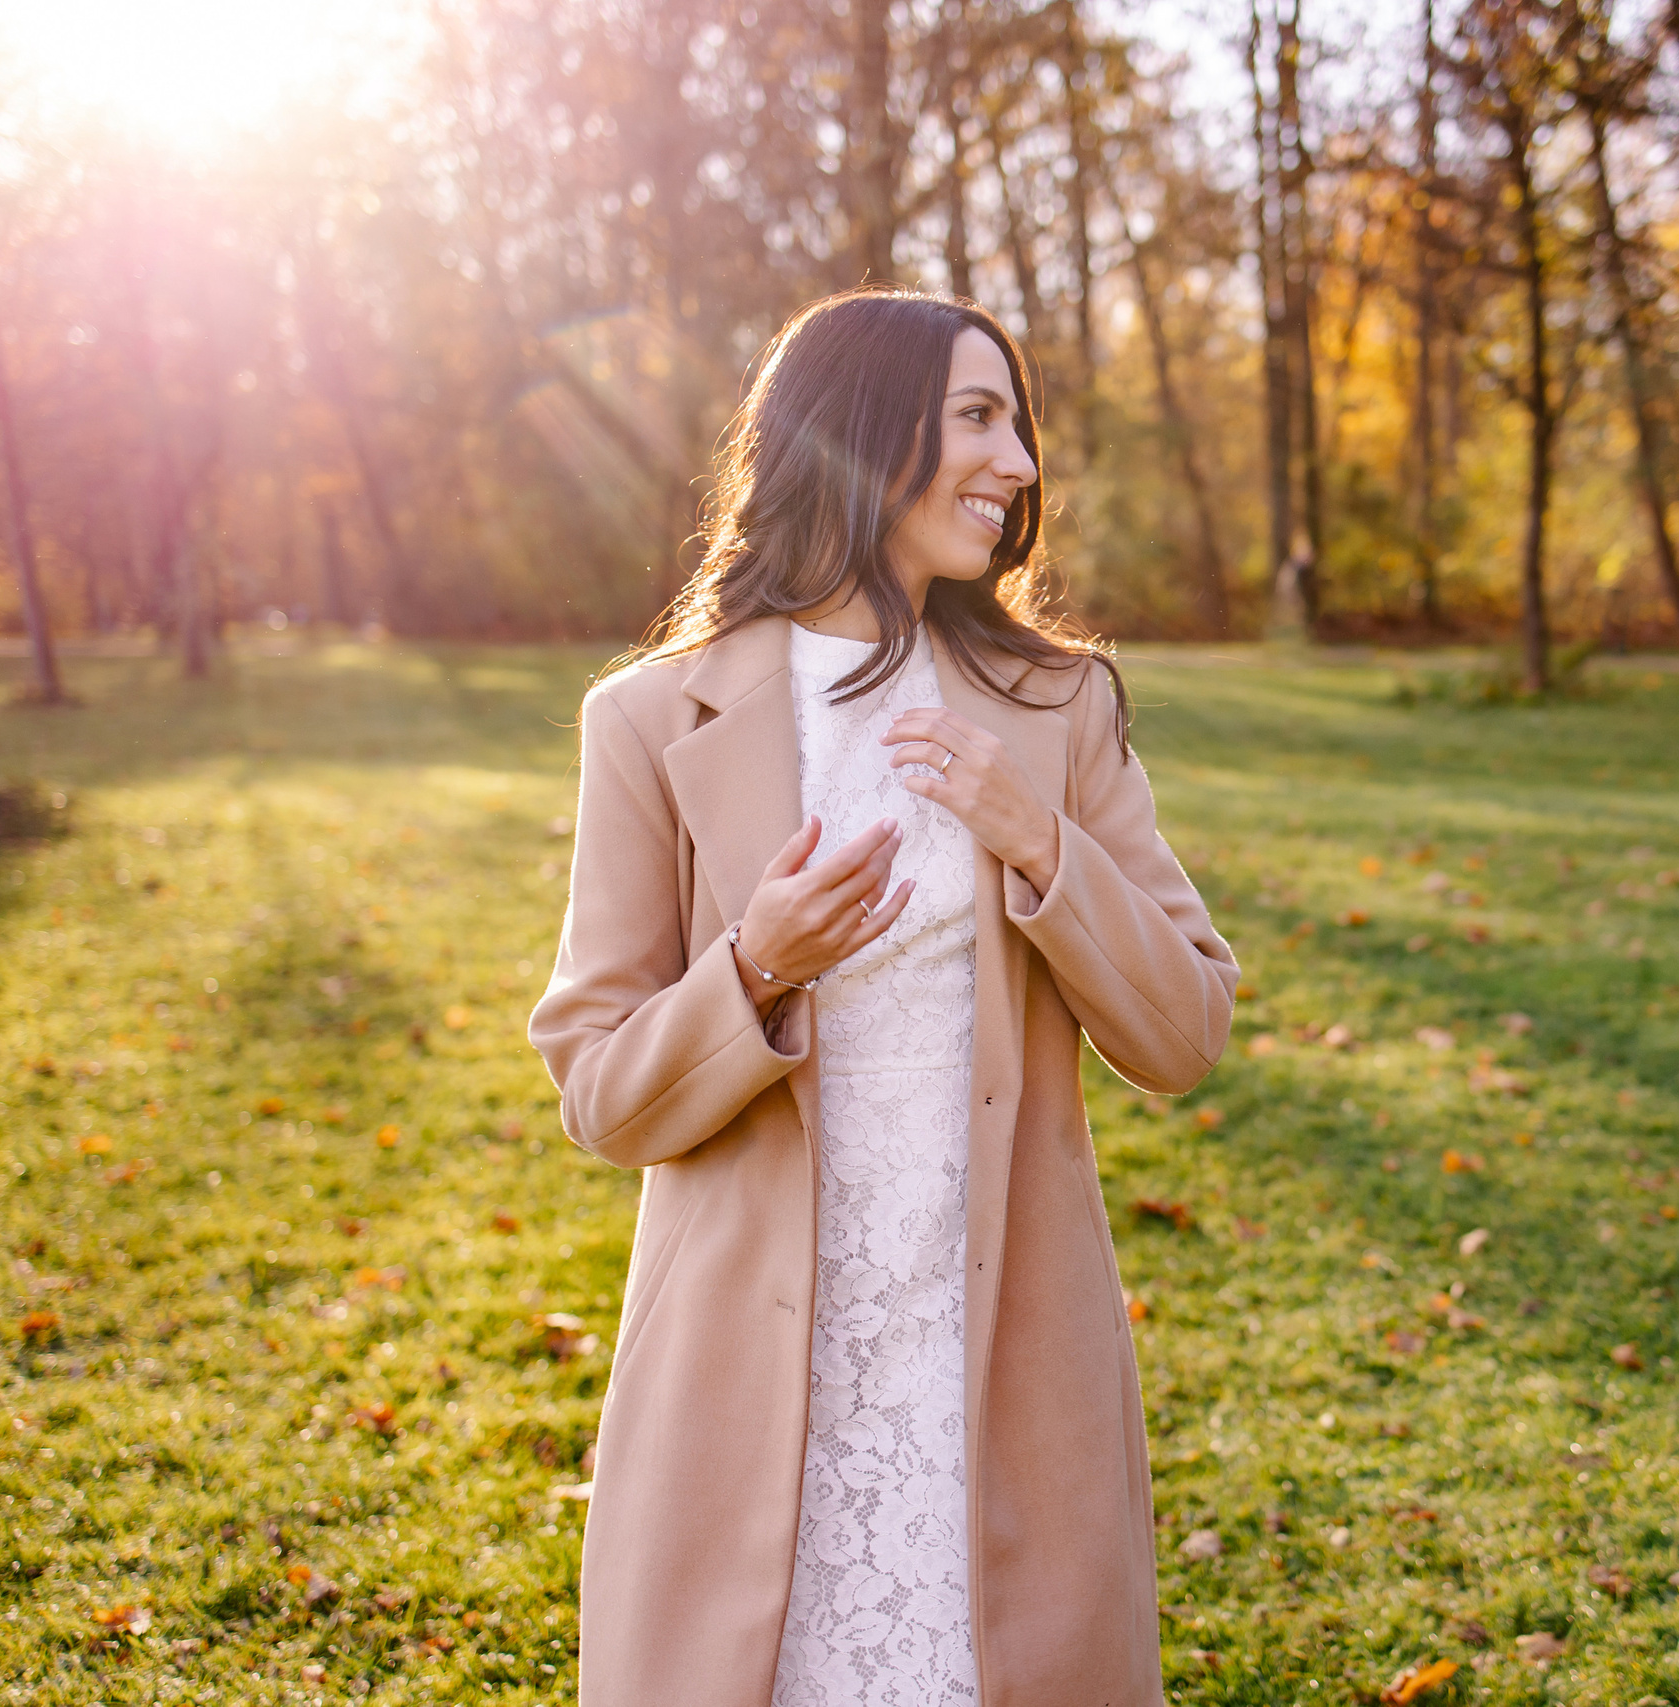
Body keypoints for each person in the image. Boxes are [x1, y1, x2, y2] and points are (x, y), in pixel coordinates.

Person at [528, 286, 1237, 1707]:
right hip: (754, 1372)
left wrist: (1042, 846)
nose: (1019, 464)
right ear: (862, 435)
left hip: (1000, 1351)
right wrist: (757, 965)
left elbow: (1184, 1030)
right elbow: (604, 1099)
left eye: (1017, 423)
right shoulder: (653, 723)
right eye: (979, 417)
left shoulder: (1057, 707)